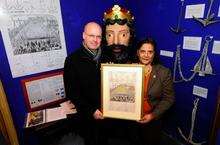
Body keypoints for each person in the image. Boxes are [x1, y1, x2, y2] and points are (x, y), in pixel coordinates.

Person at [63, 22, 104, 145]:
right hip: (87, 115)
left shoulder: (106, 57)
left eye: (99, 36)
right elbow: (71, 92)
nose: (95, 40)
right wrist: (92, 110)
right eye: (92, 35)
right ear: (84, 36)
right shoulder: (72, 60)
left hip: (107, 112)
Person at [134, 37, 175, 145]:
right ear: (138, 52)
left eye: (150, 52)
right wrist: (109, 69)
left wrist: (152, 115)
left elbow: (169, 99)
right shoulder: (129, 69)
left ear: (154, 54)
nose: (146, 55)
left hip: (152, 119)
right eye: (143, 51)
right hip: (131, 117)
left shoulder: (164, 72)